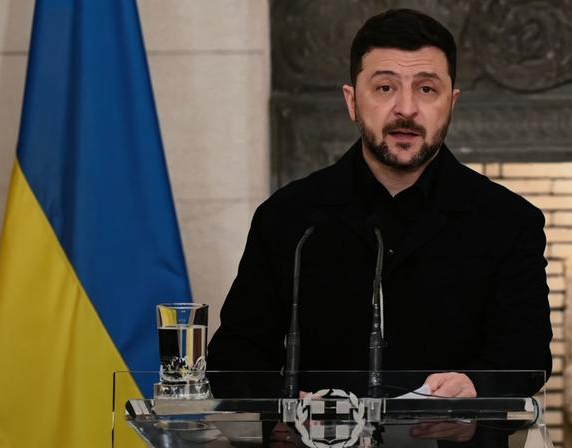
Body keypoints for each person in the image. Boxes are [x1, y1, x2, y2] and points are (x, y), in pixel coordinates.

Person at [208, 8, 552, 400]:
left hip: (454, 432)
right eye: (385, 88)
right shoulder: (288, 217)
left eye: (426, 89)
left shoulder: (509, 221)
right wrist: (287, 403)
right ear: (352, 101)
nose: (406, 109)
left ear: (451, 103)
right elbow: (234, 358)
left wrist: (475, 386)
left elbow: (527, 356)